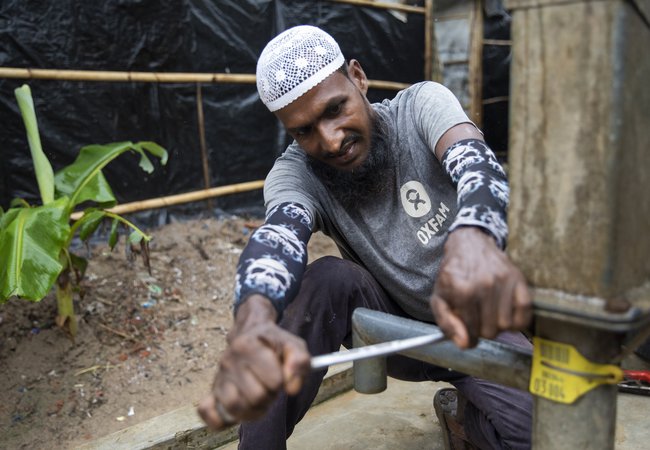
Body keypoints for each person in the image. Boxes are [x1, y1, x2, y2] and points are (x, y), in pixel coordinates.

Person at [199, 25, 533, 450]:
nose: (331, 139)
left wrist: (476, 235)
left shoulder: (420, 106)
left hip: (481, 323)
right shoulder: (295, 174)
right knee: (324, 283)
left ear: (358, 77)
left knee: (547, 434)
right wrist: (253, 314)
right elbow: (278, 239)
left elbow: (477, 166)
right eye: (304, 131)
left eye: (336, 109)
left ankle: (465, 420)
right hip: (394, 333)